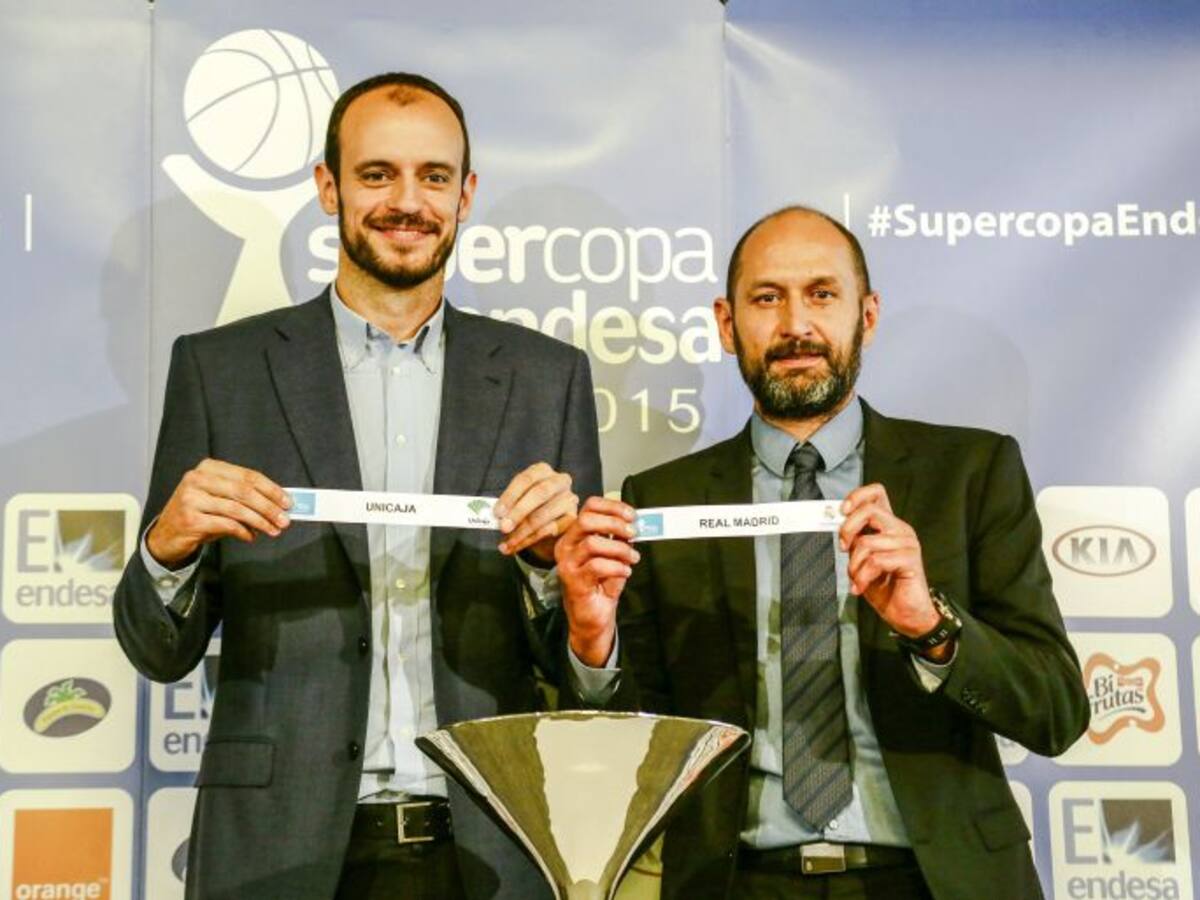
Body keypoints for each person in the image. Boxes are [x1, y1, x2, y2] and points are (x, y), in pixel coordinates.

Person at [113, 72, 601, 900]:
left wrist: (554, 575)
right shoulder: (221, 372)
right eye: (377, 174)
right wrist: (168, 550)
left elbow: (580, 670)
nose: (407, 202)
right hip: (276, 850)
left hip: (491, 845)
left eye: (433, 177)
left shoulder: (547, 380)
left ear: (465, 195)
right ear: (327, 187)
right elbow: (158, 651)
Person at [556, 206, 1089, 899]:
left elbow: (1055, 713)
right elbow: (636, 746)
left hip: (935, 883)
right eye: (767, 298)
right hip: (740, 884)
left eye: (822, 294)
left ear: (867, 316)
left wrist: (931, 627)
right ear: (726, 324)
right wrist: (593, 640)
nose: (796, 325)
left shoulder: (970, 474)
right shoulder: (662, 500)